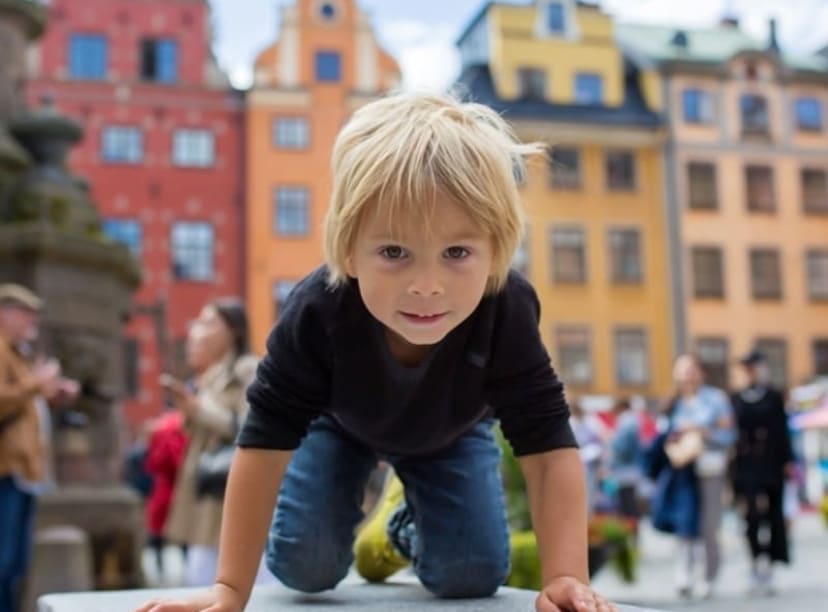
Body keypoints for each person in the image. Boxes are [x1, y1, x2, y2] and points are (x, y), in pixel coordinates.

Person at [136, 93, 615, 612]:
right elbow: (263, 441)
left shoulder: (507, 307)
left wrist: (567, 576)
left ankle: (397, 524)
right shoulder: (317, 310)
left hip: (452, 432)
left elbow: (547, 444)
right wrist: (228, 589)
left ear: (496, 250)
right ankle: (359, 506)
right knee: (306, 568)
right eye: (393, 252)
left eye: (457, 253)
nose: (427, 285)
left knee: (470, 575)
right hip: (337, 425)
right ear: (348, 250)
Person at [162, 298, 272, 587]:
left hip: (230, 484)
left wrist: (197, 409)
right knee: (203, 572)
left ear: (233, 330)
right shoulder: (208, 375)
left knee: (244, 572)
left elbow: (252, 428)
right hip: (209, 487)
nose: (199, 331)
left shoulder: (247, 369)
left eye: (209, 323)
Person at [0, 284, 78, 612]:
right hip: (7, 471)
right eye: (26, 312)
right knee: (4, 562)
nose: (33, 319)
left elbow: (22, 403)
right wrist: (39, 382)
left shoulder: (16, 353)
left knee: (15, 563)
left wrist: (51, 393)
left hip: (23, 471)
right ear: (4, 314)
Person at [667, 354, 735, 599]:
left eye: (691, 369)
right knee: (685, 523)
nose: (687, 375)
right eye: (682, 370)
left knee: (709, 525)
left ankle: (709, 576)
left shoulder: (715, 400)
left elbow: (729, 436)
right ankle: (684, 574)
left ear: (701, 372)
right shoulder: (674, 401)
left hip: (709, 467)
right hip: (682, 469)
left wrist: (700, 430)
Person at [730, 349, 794, 596]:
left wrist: (788, 462)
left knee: (773, 516)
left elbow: (782, 431)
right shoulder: (737, 398)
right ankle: (756, 562)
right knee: (751, 518)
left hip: (771, 464)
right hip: (746, 466)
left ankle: (770, 563)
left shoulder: (774, 396)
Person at [609, 398, 642, 521]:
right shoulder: (632, 421)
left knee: (627, 504)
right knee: (629, 502)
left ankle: (632, 531)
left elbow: (622, 448)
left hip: (625, 470)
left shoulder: (626, 422)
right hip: (630, 469)